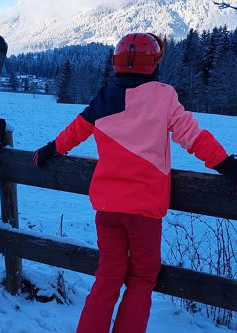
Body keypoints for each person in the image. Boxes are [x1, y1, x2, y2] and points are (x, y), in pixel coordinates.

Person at [32, 33, 237, 333]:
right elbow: (194, 139)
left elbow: (74, 132)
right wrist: (228, 166)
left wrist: (49, 150)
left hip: (107, 208)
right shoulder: (164, 96)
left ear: (117, 64)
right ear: (154, 64)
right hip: (144, 211)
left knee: (108, 277)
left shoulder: (104, 96)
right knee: (141, 280)